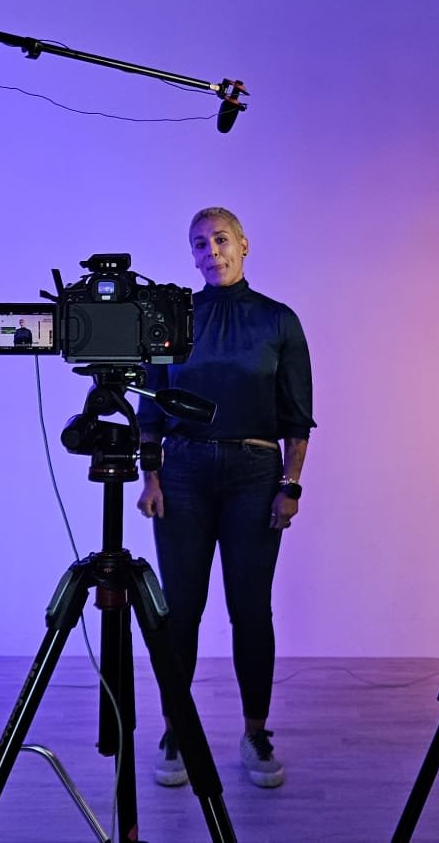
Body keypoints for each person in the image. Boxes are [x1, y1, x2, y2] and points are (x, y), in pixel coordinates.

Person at [136, 206, 313, 790]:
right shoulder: (173, 317)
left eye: (220, 240)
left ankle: (255, 731)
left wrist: (289, 485)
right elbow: (151, 405)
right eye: (199, 244)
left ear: (243, 244)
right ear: (190, 255)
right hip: (181, 473)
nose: (210, 251)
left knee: (250, 610)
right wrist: (151, 477)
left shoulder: (278, 321)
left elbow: (296, 416)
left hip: (254, 475)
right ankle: (176, 729)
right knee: (180, 611)